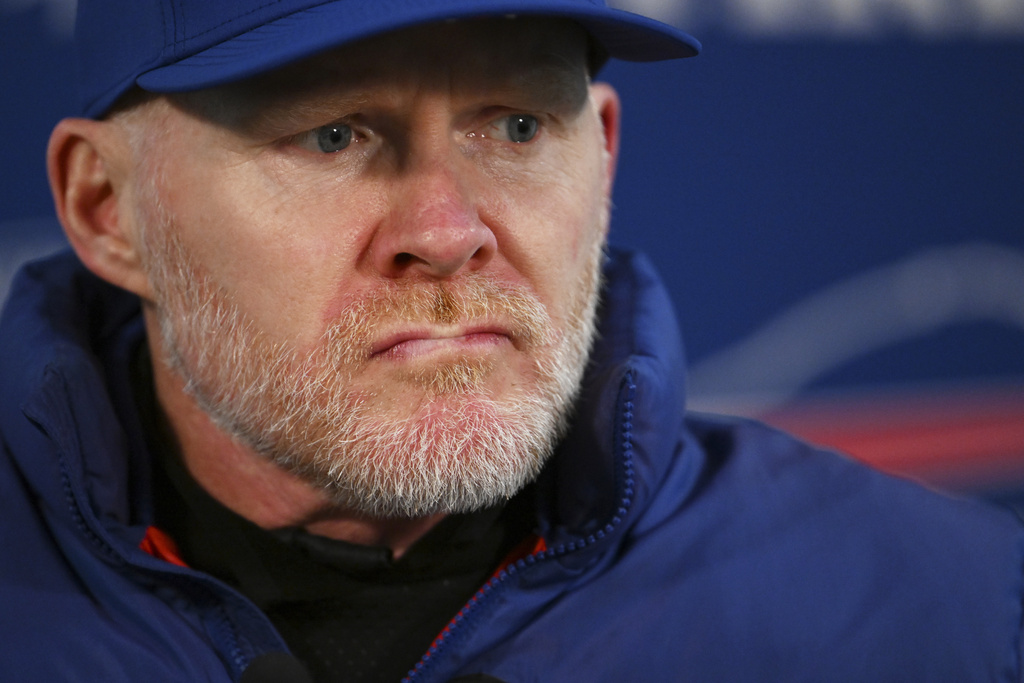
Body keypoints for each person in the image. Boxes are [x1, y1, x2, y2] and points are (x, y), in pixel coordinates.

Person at [0, 0, 1020, 681]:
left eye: (518, 125)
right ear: (108, 209)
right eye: (331, 134)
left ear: (605, 154)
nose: (447, 232)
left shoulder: (948, 613)